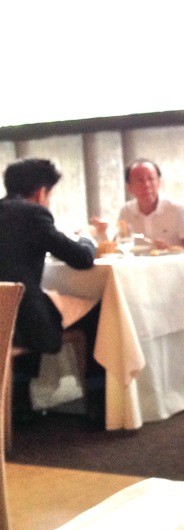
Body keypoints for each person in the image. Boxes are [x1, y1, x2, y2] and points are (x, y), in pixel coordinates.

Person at [0, 158, 103, 425]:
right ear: (40, 192)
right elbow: (82, 258)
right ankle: (98, 402)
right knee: (97, 312)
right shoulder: (33, 214)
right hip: (22, 318)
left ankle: (19, 403)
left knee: (40, 303)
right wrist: (89, 237)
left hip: (6, 312)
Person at [118, 159, 184, 252]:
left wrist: (171, 250)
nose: (146, 185)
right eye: (140, 180)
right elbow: (119, 246)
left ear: (159, 183)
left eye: (151, 179)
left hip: (174, 261)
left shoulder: (177, 210)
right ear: (129, 187)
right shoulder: (126, 211)